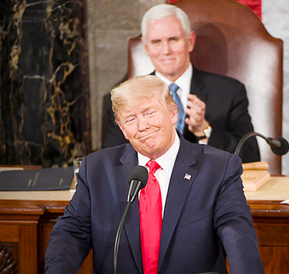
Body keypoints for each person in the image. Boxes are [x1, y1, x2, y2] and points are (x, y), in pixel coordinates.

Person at [45, 75, 265, 274]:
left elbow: (236, 232)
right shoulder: (96, 169)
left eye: (149, 113)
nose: (142, 125)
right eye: (130, 119)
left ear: (172, 113)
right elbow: (72, 232)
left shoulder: (219, 168)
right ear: (122, 129)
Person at [103, 4, 260, 164]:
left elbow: (251, 157)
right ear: (146, 47)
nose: (166, 51)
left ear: (190, 41)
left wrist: (204, 130)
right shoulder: (124, 99)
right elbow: (113, 161)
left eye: (173, 40)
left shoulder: (229, 91)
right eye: (156, 42)